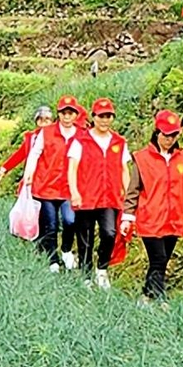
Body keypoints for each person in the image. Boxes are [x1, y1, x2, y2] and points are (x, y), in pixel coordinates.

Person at [122, 109, 183, 303]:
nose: (169, 139)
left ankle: (146, 297)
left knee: (161, 262)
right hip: (150, 220)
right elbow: (133, 190)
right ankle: (161, 301)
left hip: (173, 219)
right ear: (157, 132)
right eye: (166, 134)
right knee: (158, 260)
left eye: (174, 135)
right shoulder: (142, 158)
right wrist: (127, 217)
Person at [0, 97, 80, 272]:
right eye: (64, 112)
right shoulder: (39, 135)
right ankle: (52, 259)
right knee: (51, 225)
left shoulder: (81, 135)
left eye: (70, 113)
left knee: (70, 221)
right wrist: (23, 173)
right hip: (45, 187)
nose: (66, 116)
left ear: (75, 115)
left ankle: (65, 250)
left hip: (67, 188)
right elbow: (28, 155)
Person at [68, 97, 131, 290]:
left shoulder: (119, 142)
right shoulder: (81, 140)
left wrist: (128, 195)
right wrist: (74, 192)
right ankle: (86, 274)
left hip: (110, 197)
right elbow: (72, 168)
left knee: (109, 233)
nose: (105, 120)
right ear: (93, 117)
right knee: (85, 237)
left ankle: (101, 268)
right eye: (101, 116)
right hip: (86, 196)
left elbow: (124, 169)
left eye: (108, 116)